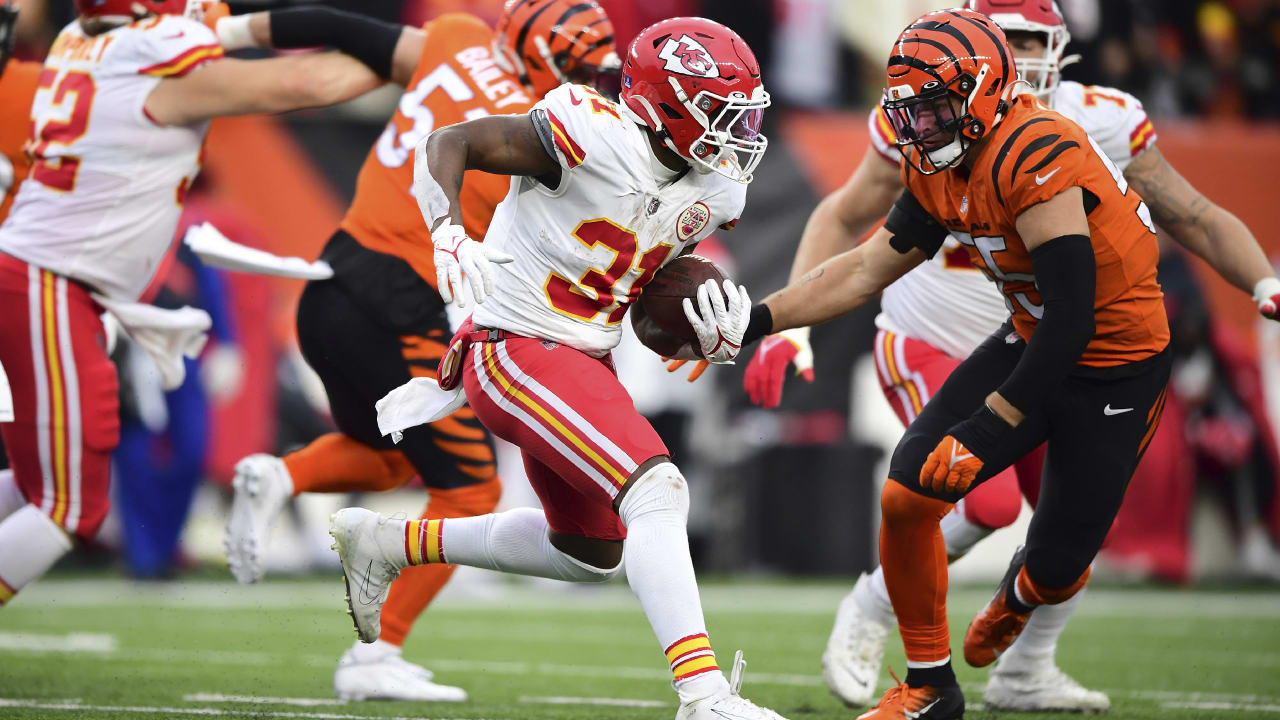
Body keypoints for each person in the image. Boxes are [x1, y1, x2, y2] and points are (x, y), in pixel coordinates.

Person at [724, 8, 1279, 719]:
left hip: (1114, 362)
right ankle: (929, 686)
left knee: (1057, 562)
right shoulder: (935, 156)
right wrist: (754, 321)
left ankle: (1024, 603)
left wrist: (988, 429)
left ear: (983, 89)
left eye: (934, 108)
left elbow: (1077, 317)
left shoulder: (1037, 146)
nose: (920, 127)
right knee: (907, 494)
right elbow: (864, 268)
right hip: (1020, 334)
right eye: (911, 111)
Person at [327, 16, 786, 720]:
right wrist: (448, 230)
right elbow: (452, 141)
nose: (738, 135)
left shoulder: (717, 190)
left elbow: (641, 286)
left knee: (589, 552)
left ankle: (389, 542)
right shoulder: (587, 130)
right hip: (512, 346)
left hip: (582, 356)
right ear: (664, 105)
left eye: (743, 115)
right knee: (657, 490)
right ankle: (704, 696)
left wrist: (702, 331)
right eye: (721, 114)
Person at [215, 0, 621, 701]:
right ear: (544, 64)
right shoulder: (547, 126)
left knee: (390, 455)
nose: (594, 84)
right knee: (469, 492)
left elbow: (339, 26)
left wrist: (222, 31)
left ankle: (282, 477)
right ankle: (375, 656)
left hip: (332, 277)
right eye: (582, 69)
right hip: (403, 305)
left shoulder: (456, 38)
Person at [0, 0, 387, 608]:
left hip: (64, 282)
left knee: (45, 482)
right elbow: (307, 80)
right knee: (68, 505)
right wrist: (414, 58)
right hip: (50, 279)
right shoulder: (150, 63)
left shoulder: (82, 39)